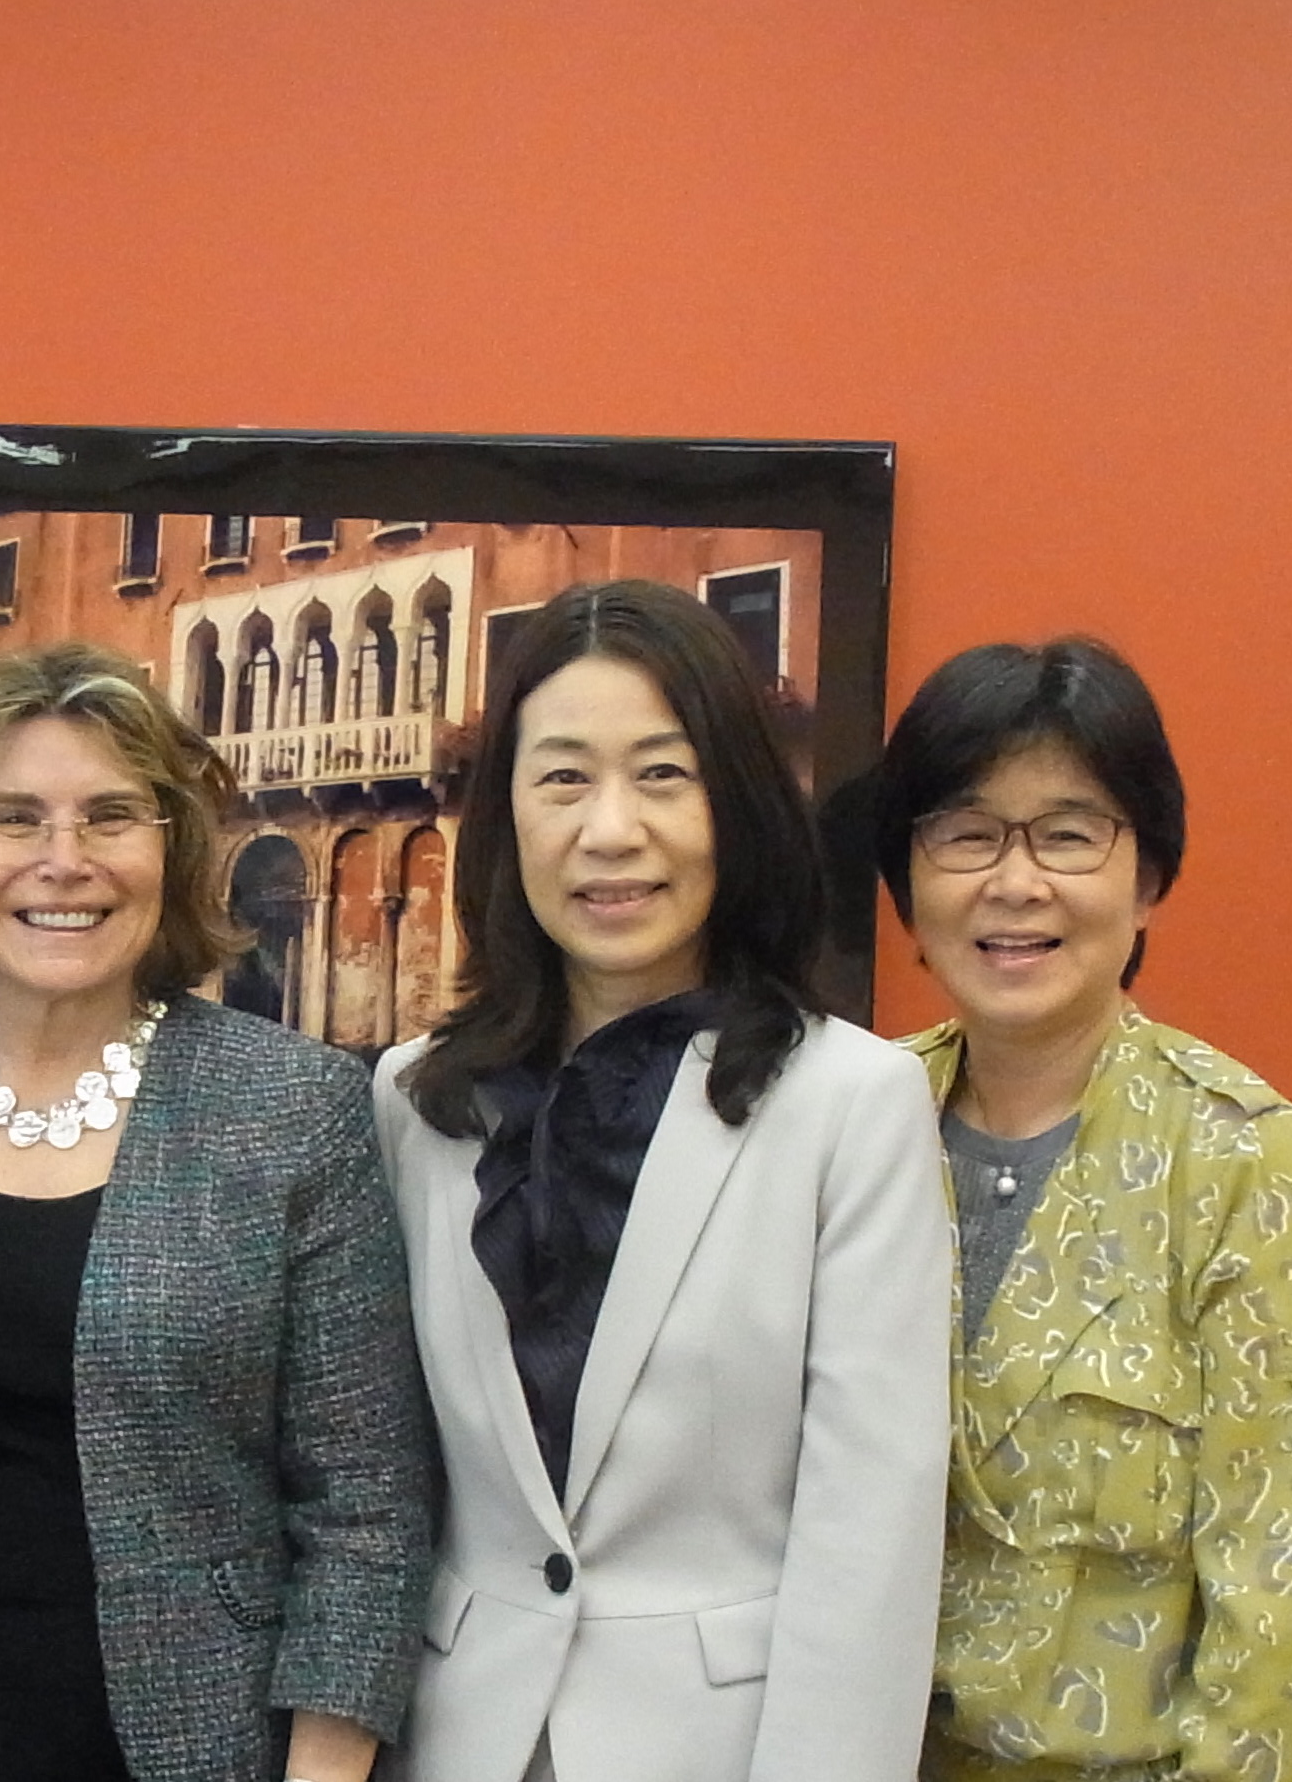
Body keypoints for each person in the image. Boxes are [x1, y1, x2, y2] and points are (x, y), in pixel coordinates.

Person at [0, 641, 430, 1782]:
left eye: (112, 816)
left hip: (202, 1746)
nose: (63, 861)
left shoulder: (292, 1107)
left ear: (171, 852)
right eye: (14, 817)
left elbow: (366, 1506)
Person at [373, 577, 948, 1782]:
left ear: (733, 804)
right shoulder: (417, 1097)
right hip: (456, 1735)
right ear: (508, 813)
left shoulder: (851, 1101)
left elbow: (871, 1530)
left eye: (663, 773)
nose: (611, 828)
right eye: (565, 775)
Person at [863, 638, 1292, 1781]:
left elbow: (1280, 1620)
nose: (1016, 881)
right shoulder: (851, 1121)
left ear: (1147, 877)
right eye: (967, 832)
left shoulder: (1244, 1162)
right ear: (907, 878)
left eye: (1071, 833)